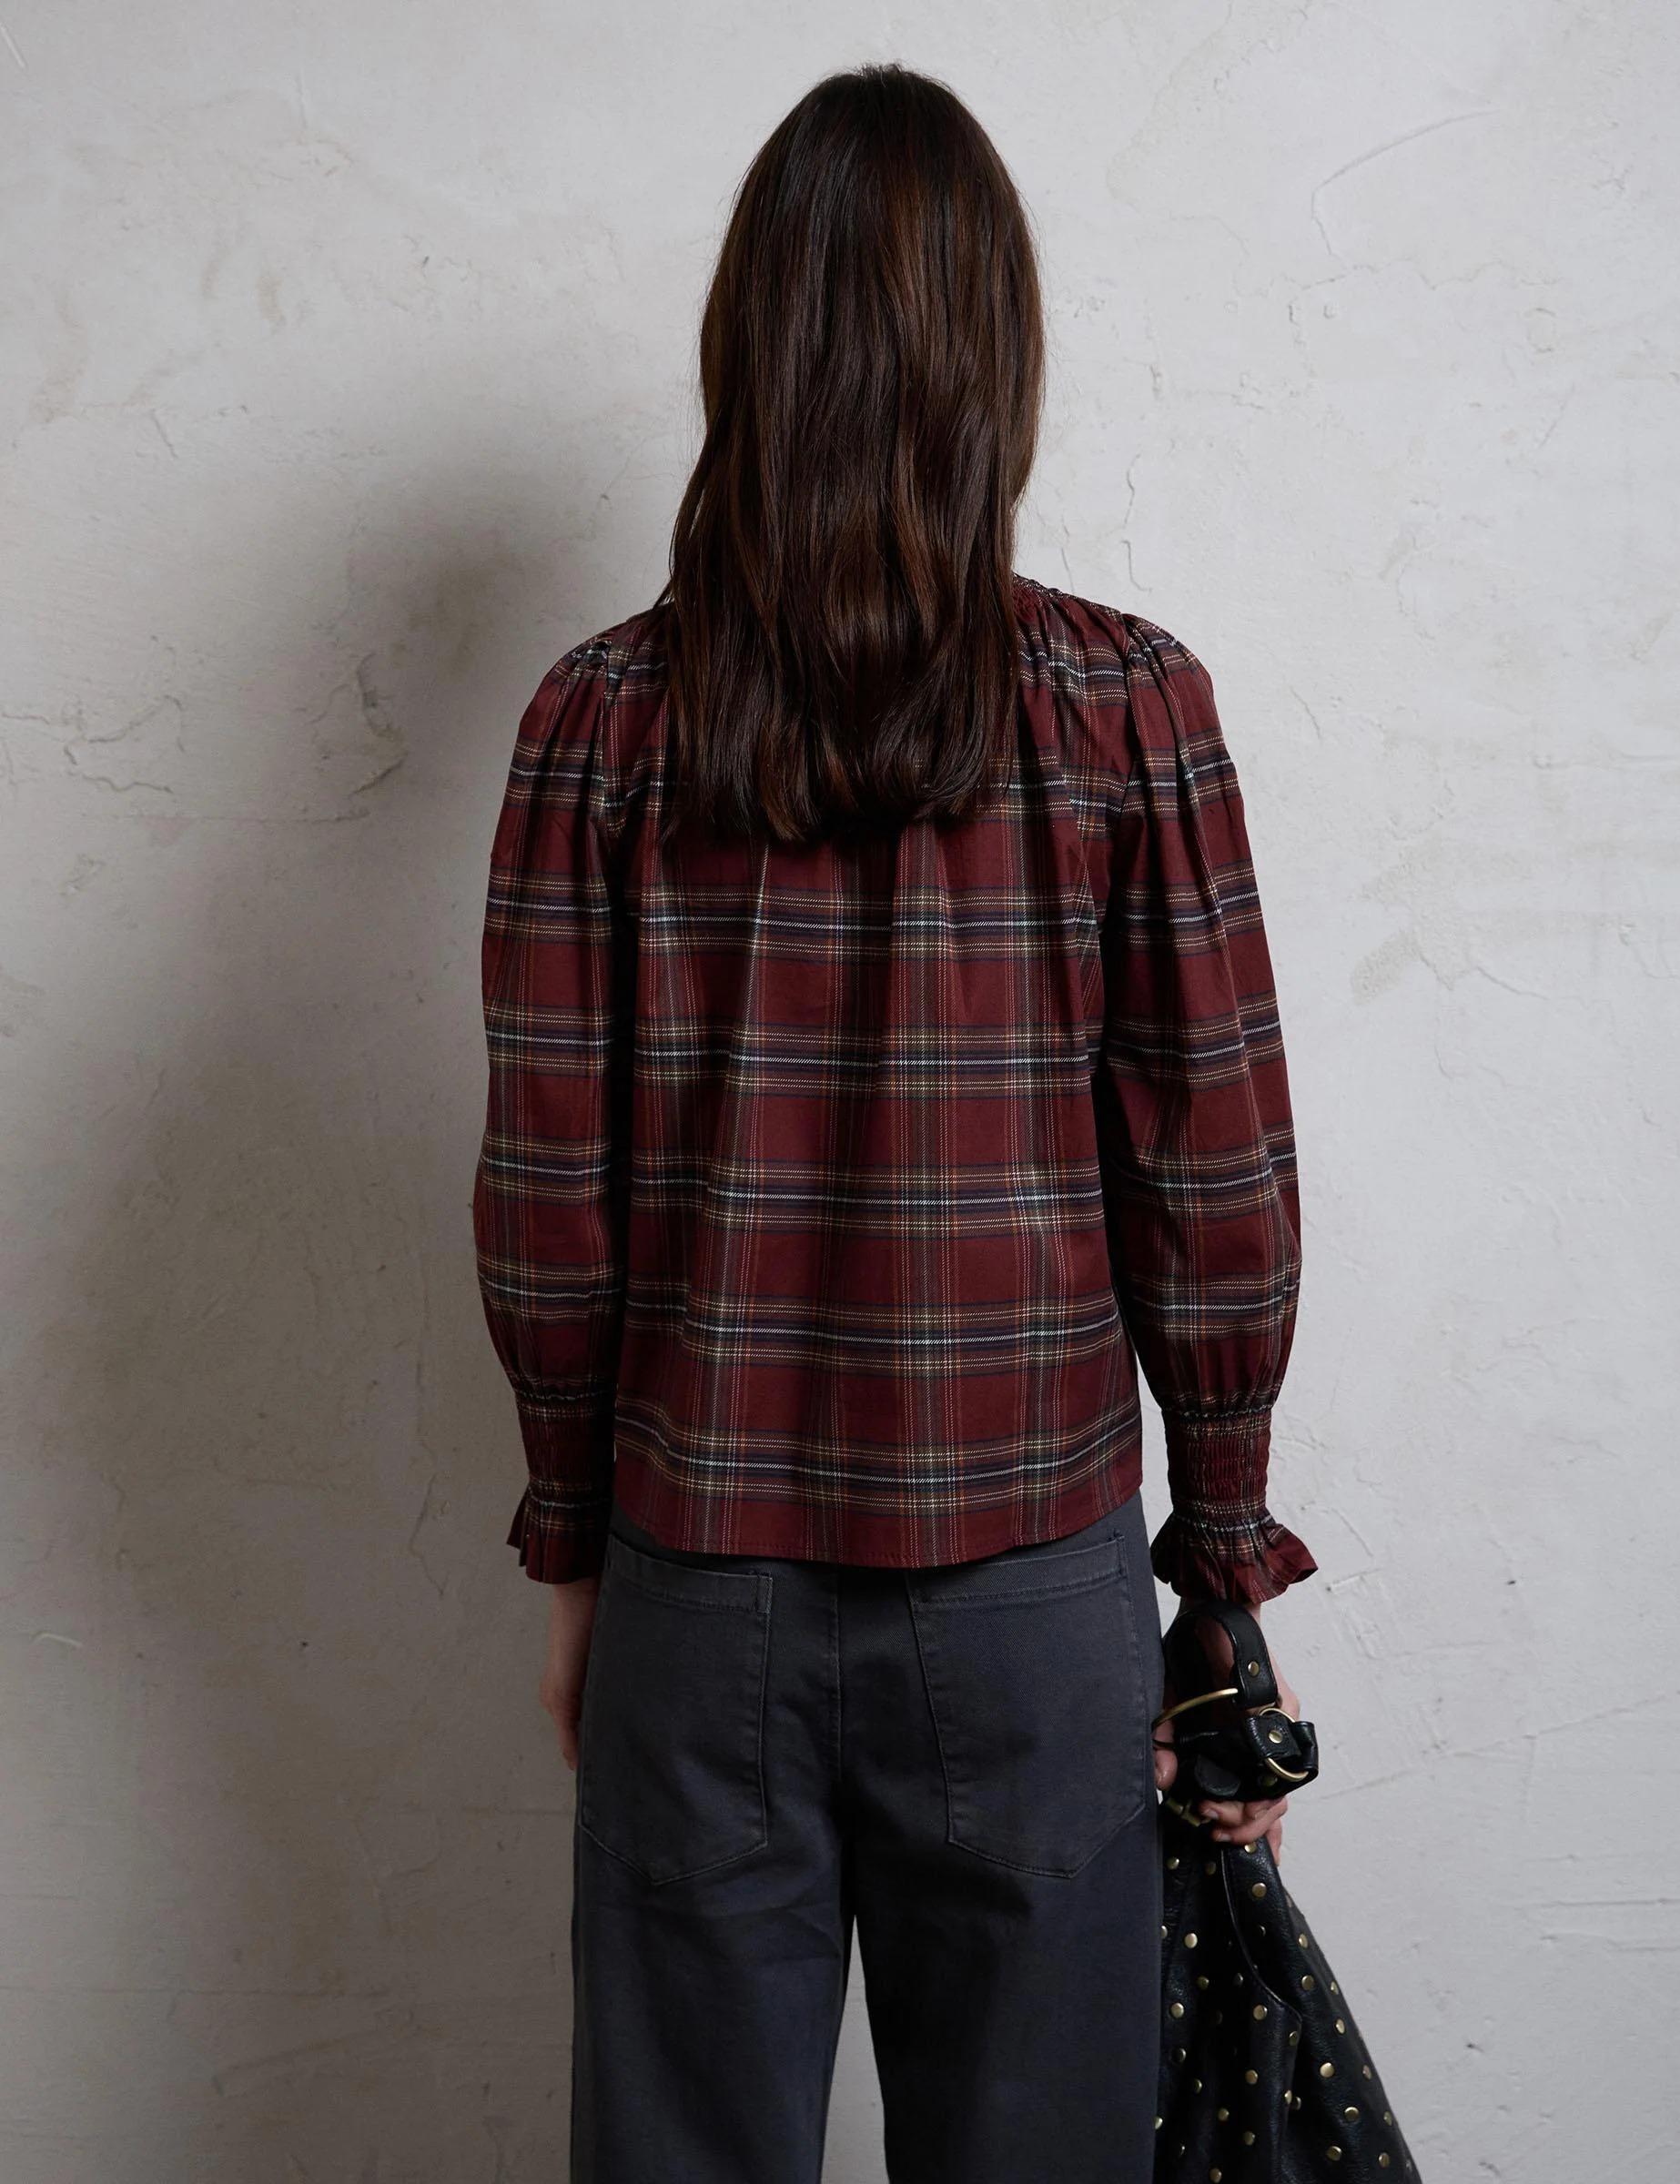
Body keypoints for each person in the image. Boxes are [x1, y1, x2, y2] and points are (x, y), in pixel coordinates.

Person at [471, 60, 1317, 2184]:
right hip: (1032, 1604)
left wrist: (578, 1559)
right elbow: (1216, 1182)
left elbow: (552, 1202)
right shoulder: (1127, 708)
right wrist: (1221, 1575)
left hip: (701, 1593)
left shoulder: (600, 719)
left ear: (745, 346)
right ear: (993, 360)